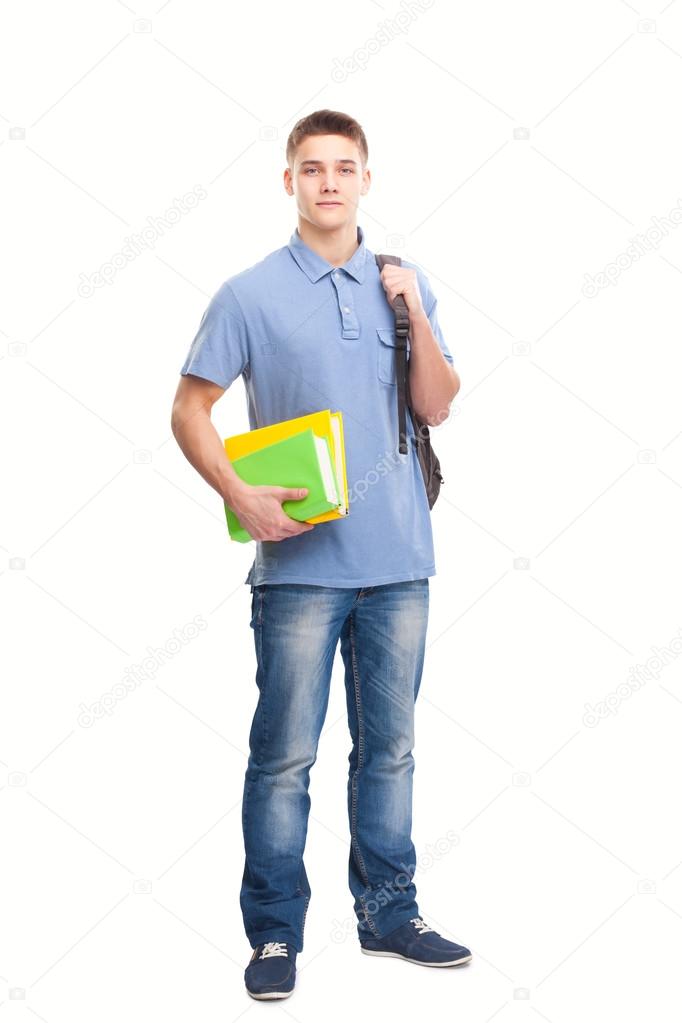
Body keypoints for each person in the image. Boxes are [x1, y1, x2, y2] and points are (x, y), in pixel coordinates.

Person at [170, 108, 471, 1001]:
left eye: (345, 167)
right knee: (284, 757)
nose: (329, 181)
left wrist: (410, 304)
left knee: (391, 750)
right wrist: (238, 492)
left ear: (366, 181)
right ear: (290, 181)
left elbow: (440, 402)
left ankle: (390, 912)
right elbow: (190, 409)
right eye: (313, 168)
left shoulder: (402, 282)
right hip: (298, 569)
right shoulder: (250, 293)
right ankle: (273, 932)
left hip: (399, 562)